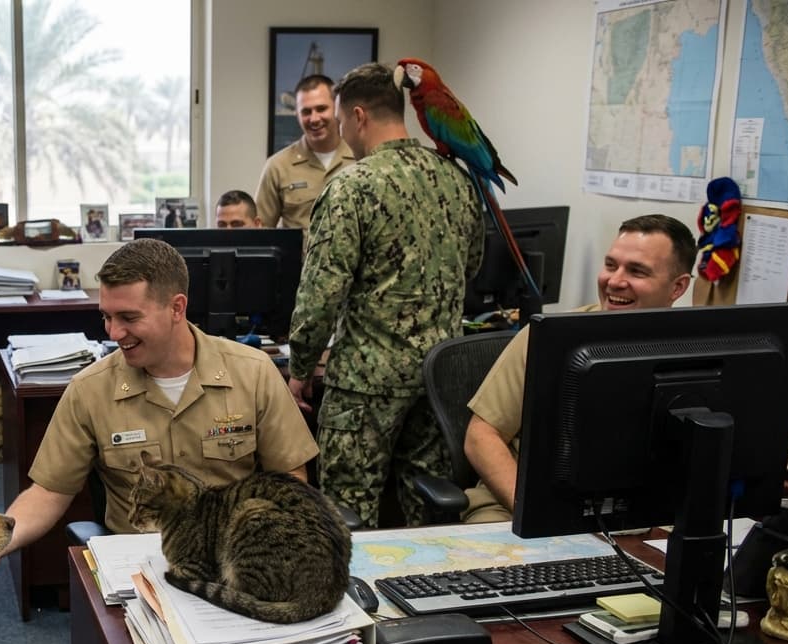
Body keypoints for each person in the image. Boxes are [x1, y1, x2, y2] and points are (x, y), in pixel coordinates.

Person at [0, 238, 319, 583]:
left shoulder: (252, 372)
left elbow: (290, 480)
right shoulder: (90, 390)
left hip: (236, 561)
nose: (113, 333)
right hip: (136, 569)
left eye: (128, 317)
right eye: (106, 317)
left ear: (176, 308)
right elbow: (48, 492)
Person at [286, 62, 484, 529]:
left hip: (364, 385)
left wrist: (300, 370)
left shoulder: (350, 187)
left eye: (340, 121)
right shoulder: (457, 179)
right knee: (428, 512)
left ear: (358, 116)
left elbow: (320, 294)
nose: (341, 132)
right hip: (436, 378)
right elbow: (471, 265)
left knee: (347, 517)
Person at [461, 215, 696, 523]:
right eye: (611, 265)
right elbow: (481, 436)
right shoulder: (550, 337)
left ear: (677, 287)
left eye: (636, 271)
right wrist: (533, 511)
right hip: (518, 506)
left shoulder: (696, 349)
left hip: (638, 516)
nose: (615, 281)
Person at [255, 75, 355, 229]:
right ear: (297, 114)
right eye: (306, 112)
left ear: (337, 108)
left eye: (321, 109)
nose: (314, 119)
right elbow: (260, 232)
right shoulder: (278, 167)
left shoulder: (360, 159)